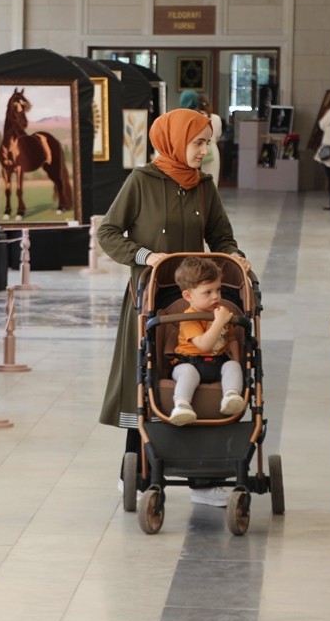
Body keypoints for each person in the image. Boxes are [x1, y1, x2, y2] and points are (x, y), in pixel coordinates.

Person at [97, 108, 252, 507]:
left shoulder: (204, 186)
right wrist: (145, 256)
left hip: (196, 303)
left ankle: (202, 478)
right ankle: (134, 467)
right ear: (174, 141)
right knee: (147, 377)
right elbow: (108, 232)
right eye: (198, 142)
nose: (205, 150)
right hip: (150, 298)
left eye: (207, 142)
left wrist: (236, 258)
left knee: (200, 374)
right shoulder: (141, 181)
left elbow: (221, 236)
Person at [167, 256, 247, 425]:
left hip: (217, 361)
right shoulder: (189, 317)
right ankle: (182, 405)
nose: (216, 297)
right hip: (188, 363)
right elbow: (204, 345)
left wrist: (237, 362)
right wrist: (219, 322)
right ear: (188, 296)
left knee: (232, 366)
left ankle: (231, 396)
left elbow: (229, 339)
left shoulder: (221, 312)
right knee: (188, 373)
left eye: (218, 290)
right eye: (208, 292)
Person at [198, 95, 223, 181]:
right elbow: (218, 136)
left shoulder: (196, 116)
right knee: (213, 178)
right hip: (213, 148)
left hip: (198, 149)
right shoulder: (216, 118)